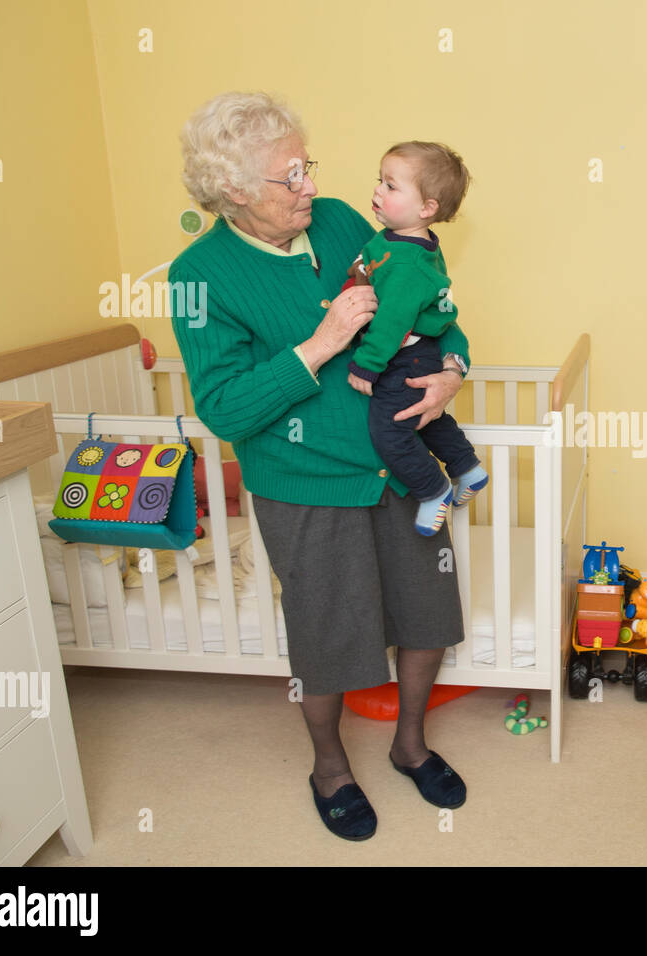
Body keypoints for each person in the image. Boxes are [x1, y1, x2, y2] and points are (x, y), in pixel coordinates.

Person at [169, 91, 470, 841]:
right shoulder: (196, 277)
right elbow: (226, 408)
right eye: (289, 175)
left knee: (425, 615)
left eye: (308, 166)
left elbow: (420, 298)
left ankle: (409, 746)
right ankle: (329, 766)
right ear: (234, 190)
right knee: (329, 636)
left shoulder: (338, 221)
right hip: (303, 486)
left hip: (400, 463)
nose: (310, 185)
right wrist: (322, 343)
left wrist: (455, 367)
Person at [344, 141, 487, 536]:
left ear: (426, 209)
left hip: (404, 356)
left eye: (391, 186)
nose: (378, 191)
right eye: (380, 180)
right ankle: (467, 468)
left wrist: (366, 365)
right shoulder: (398, 239)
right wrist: (361, 267)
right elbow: (374, 257)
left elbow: (393, 321)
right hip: (417, 354)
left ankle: (432, 489)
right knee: (423, 415)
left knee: (390, 428)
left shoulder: (409, 266)